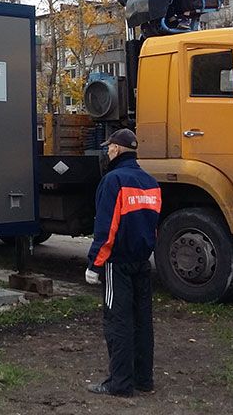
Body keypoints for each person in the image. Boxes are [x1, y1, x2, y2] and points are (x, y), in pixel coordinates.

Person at [85, 129, 162, 397]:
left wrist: (94, 265)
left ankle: (119, 384)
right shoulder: (151, 182)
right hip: (142, 262)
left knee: (117, 321)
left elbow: (106, 229)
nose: (107, 152)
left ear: (117, 150)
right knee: (142, 321)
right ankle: (144, 379)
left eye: (109, 148)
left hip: (116, 263)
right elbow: (153, 227)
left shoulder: (112, 181)